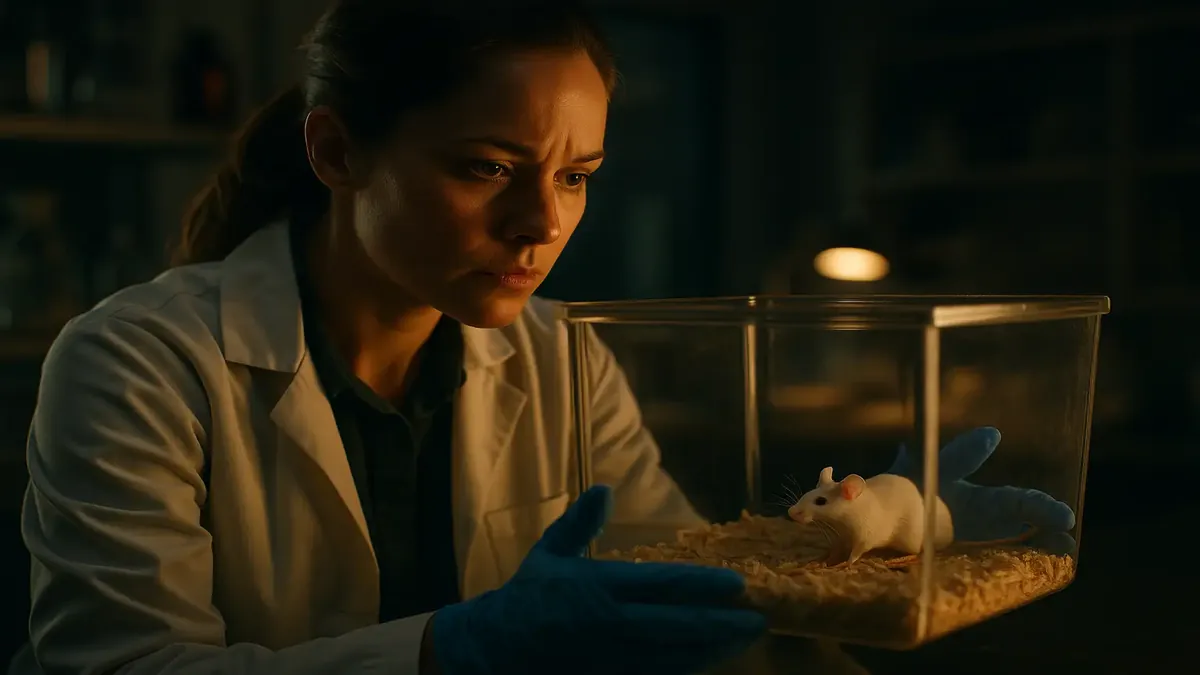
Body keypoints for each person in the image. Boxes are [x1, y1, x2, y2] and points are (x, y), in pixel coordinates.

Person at [11, 1, 1078, 674]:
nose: (545, 225)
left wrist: (871, 532)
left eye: (577, 177)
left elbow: (692, 583)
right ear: (337, 151)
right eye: (487, 167)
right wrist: (454, 650)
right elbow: (117, 666)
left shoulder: (565, 354)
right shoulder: (140, 364)